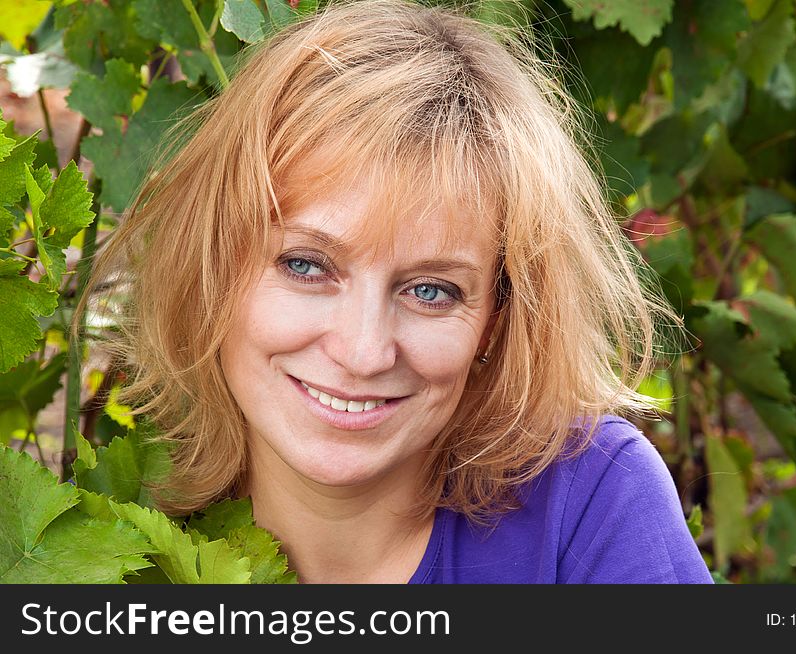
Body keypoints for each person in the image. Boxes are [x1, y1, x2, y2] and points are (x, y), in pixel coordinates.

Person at [86, 0, 713, 584]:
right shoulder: (117, 541)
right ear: (213, 266)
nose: (363, 352)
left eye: (432, 292)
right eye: (307, 266)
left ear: (499, 317)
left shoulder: (589, 504)